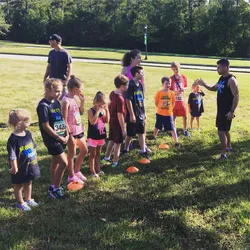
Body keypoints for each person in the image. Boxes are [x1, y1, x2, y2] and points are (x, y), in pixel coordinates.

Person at [196, 58, 239, 159]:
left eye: (219, 67)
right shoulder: (221, 78)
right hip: (221, 110)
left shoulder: (231, 80)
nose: (217, 69)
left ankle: (223, 154)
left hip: (226, 111)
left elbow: (236, 96)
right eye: (217, 67)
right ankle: (229, 146)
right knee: (226, 130)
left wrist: (231, 111)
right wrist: (204, 84)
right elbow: (213, 88)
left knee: (221, 131)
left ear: (226, 67)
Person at [37, 78, 69, 198]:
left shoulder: (56, 102)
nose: (59, 94)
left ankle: (52, 185)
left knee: (55, 162)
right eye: (56, 91)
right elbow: (45, 126)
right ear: (47, 90)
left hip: (61, 137)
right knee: (63, 163)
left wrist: (66, 133)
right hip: (52, 139)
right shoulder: (43, 106)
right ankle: (56, 188)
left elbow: (61, 119)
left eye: (60, 91)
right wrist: (58, 138)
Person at [7, 109, 40, 211]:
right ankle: (21, 203)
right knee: (18, 185)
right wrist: (14, 166)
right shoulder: (13, 140)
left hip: (29, 165)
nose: (29, 124)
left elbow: (33, 146)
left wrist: (35, 156)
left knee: (28, 182)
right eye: (27, 122)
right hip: (19, 167)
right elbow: (12, 155)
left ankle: (29, 199)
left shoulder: (28, 133)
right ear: (19, 123)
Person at [61, 75, 88, 184]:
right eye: (80, 88)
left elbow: (80, 113)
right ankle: (71, 176)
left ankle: (77, 171)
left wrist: (82, 102)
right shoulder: (66, 101)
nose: (81, 90)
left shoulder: (75, 98)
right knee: (72, 154)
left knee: (84, 150)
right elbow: (64, 119)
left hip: (79, 129)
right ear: (75, 89)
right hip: (71, 132)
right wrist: (69, 134)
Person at [102, 74, 129, 168]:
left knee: (112, 139)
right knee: (118, 143)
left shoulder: (112, 93)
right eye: (127, 85)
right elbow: (120, 115)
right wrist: (123, 129)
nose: (127, 87)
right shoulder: (120, 99)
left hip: (111, 121)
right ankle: (115, 162)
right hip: (117, 123)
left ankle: (106, 157)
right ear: (122, 86)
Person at [123, 66, 148, 158]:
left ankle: (143, 151)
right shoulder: (131, 85)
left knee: (141, 132)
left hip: (141, 113)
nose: (143, 74)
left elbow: (141, 99)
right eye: (142, 72)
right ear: (137, 74)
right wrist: (132, 114)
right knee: (130, 134)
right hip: (133, 114)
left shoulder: (140, 84)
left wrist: (144, 112)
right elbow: (128, 100)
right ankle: (125, 149)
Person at [43, 34, 72, 99]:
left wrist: (67, 80)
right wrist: (45, 77)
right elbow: (49, 66)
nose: (49, 42)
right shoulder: (51, 52)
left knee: (62, 99)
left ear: (55, 41)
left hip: (61, 81)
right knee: (50, 99)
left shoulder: (65, 53)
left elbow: (69, 67)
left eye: (50, 41)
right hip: (52, 81)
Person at [87, 92, 110, 178]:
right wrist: (97, 112)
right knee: (92, 154)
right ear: (96, 102)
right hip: (93, 136)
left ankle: (98, 169)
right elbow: (92, 122)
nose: (102, 106)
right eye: (101, 103)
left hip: (101, 135)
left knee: (98, 153)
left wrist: (107, 111)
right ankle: (92, 171)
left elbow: (107, 121)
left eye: (104, 104)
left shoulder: (104, 111)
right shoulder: (90, 111)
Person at [154, 77, 179, 146]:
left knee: (172, 128)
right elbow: (156, 102)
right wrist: (161, 108)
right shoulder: (159, 93)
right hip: (160, 113)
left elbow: (173, 103)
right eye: (166, 83)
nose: (168, 85)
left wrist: (169, 109)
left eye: (169, 83)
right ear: (162, 84)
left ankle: (176, 142)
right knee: (157, 126)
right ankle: (154, 137)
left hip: (169, 114)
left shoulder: (172, 93)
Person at [170, 62, 190, 136]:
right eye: (174, 69)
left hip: (181, 100)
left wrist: (183, 89)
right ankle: (174, 130)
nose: (176, 70)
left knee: (185, 116)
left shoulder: (183, 77)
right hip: (174, 101)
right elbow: (169, 90)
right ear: (172, 69)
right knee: (174, 116)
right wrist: (175, 92)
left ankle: (185, 130)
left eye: (177, 68)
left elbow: (186, 86)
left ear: (179, 67)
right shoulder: (171, 78)